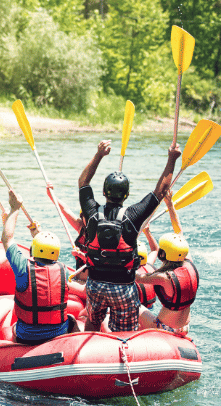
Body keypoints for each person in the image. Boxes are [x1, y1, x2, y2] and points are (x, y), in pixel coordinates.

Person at [78, 139, 182, 332]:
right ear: (126, 195)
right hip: (123, 287)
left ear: (103, 192)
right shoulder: (133, 215)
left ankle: (91, 338)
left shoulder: (91, 212)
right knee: (124, 331)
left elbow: (83, 182)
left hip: (95, 285)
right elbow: (160, 191)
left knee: (92, 321)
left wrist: (99, 155)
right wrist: (172, 159)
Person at [1, 190, 80, 344]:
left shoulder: (23, 267)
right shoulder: (63, 270)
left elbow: (7, 239)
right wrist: (38, 235)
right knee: (71, 319)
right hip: (58, 332)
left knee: (13, 326)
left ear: (35, 249)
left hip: (27, 335)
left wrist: (15, 209)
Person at [138, 192, 198, 335]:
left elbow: (136, 277)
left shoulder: (163, 277)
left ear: (162, 254)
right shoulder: (188, 263)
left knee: (135, 305)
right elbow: (179, 232)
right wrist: (170, 204)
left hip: (165, 327)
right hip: (184, 327)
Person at [45, 182, 89, 279]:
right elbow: (65, 209)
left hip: (91, 284)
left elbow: (100, 262)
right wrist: (51, 195)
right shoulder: (81, 227)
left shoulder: (100, 234)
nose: (88, 220)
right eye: (85, 217)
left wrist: (80, 255)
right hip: (77, 278)